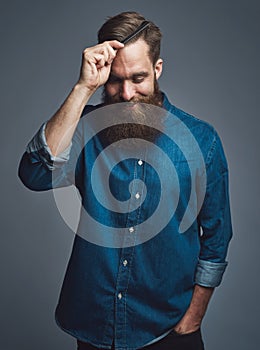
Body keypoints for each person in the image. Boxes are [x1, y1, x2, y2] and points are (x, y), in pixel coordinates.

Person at [18, 11, 232, 350]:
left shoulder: (201, 141)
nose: (127, 93)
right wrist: (83, 87)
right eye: (114, 80)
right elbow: (34, 174)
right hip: (93, 324)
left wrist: (194, 315)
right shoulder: (85, 129)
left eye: (138, 77)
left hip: (168, 328)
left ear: (157, 70)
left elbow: (218, 235)